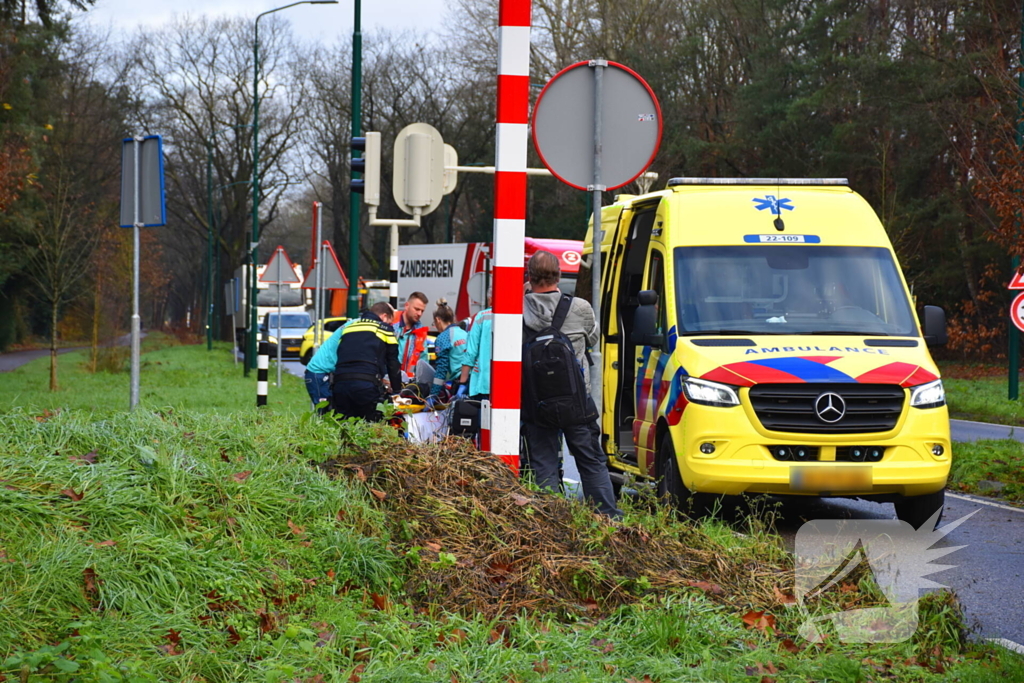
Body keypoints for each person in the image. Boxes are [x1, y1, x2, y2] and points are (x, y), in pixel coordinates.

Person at [522, 250, 621, 519]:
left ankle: (551, 521)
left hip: (536, 402)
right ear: (560, 275)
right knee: (591, 461)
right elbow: (592, 340)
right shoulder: (580, 308)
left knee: (543, 462)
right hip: (576, 401)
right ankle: (608, 520)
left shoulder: (519, 307)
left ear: (529, 275)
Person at [332, 302, 402, 422]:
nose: (390, 325)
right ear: (384, 317)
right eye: (390, 322)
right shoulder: (384, 328)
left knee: (345, 427)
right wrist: (396, 391)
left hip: (340, 384)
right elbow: (393, 362)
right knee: (370, 427)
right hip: (365, 386)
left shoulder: (348, 328)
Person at [304, 318, 355, 412]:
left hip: (325, 372)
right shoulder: (355, 326)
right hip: (319, 373)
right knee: (326, 411)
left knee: (335, 410)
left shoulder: (355, 324)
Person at [430, 298, 468, 397]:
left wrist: (433, 394)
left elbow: (441, 369)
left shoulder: (443, 337)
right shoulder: (464, 333)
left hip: (459, 381)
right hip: (471, 380)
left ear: (438, 320)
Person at [458, 292, 493, 400]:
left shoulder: (481, 317)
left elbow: (471, 351)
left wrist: (462, 382)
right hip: (507, 384)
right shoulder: (514, 316)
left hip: (483, 383)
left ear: (490, 298)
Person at [394, 292, 429, 379]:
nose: (420, 314)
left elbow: (423, 362)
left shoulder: (421, 333)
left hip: (408, 383)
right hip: (387, 380)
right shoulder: (391, 322)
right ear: (406, 305)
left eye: (422, 311)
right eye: (417, 309)